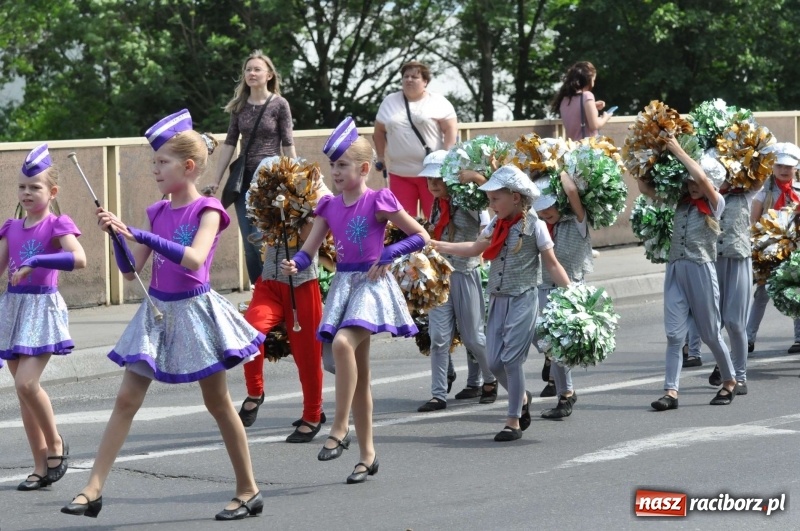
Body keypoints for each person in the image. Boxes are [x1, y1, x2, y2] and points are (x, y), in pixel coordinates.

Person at [61, 110, 265, 521]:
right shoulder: (156, 211)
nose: (154, 169)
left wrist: (139, 233)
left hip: (196, 312)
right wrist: (117, 236)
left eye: (162, 162)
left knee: (219, 403)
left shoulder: (209, 210)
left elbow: (193, 260)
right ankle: (93, 488)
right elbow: (129, 269)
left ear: (188, 167)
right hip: (155, 313)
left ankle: (248, 488)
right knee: (126, 399)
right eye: (153, 162)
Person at [282, 117, 429, 483]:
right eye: (333, 165)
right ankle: (367, 456)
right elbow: (309, 250)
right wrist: (294, 262)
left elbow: (420, 236)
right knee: (360, 379)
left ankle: (339, 425)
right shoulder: (329, 206)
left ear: (364, 169)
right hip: (345, 287)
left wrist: (388, 253)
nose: (336, 171)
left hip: (371, 285)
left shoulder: (378, 200)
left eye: (343, 165)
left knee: (344, 344)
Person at [433, 164, 571, 442]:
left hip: (524, 298)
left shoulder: (537, 225)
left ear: (515, 197)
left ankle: (513, 421)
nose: (491, 204)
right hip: (497, 299)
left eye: (496, 198)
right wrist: (438, 245)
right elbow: (474, 248)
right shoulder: (497, 223)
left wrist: (570, 294)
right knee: (494, 363)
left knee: (510, 359)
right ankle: (521, 398)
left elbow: (552, 265)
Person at [0, 144, 86, 491]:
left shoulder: (57, 224)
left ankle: (56, 445)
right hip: (13, 310)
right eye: (22, 186)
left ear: (52, 192)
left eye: (34, 186)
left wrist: (37, 262)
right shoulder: (10, 227)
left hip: (42, 309)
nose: (26, 192)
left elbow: (78, 258)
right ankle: (39, 465)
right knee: (23, 393)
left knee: (26, 384)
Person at [638, 135, 737, 411]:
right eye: (688, 182)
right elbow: (644, 188)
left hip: (701, 270)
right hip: (675, 271)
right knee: (674, 335)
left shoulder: (716, 204)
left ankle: (729, 381)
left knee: (710, 334)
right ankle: (671, 391)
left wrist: (679, 150)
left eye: (696, 182)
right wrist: (644, 159)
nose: (693, 186)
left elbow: (704, 181)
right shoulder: (681, 202)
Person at [238, 156, 331, 443]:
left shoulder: (315, 199)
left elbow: (313, 238)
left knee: (307, 357)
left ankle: (313, 415)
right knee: (248, 334)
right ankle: (255, 392)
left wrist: (299, 212)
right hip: (269, 283)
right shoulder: (262, 203)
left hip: (301, 285)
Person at [416, 150, 498, 412]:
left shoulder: (468, 200)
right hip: (440, 276)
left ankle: (491, 379)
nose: (433, 184)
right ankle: (438, 394)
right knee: (439, 337)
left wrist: (477, 177)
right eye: (429, 180)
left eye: (438, 178)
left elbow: (496, 203)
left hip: (466, 273)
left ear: (452, 178)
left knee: (473, 336)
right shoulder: (436, 204)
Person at [207, 50, 296, 285]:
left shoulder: (279, 104)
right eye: (248, 69)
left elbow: (287, 142)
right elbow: (229, 143)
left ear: (269, 75)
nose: (251, 73)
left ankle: (277, 288)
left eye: (257, 69)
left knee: (268, 236)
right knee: (250, 239)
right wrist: (216, 179)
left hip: (271, 179)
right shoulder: (239, 106)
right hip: (245, 179)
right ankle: (260, 290)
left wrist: (294, 177)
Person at [533, 172, 593, 418]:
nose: (545, 217)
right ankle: (554, 369)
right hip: (544, 287)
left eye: (549, 212)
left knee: (558, 346)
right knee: (540, 339)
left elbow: (570, 191)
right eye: (542, 214)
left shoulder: (578, 220)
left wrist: (556, 166)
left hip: (570, 289)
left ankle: (566, 395)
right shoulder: (541, 227)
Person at [374, 60, 458, 218]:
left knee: (436, 219)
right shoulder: (389, 102)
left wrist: (447, 156)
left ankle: (435, 244)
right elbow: (378, 131)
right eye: (406, 76)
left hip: (432, 174)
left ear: (425, 81)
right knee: (403, 222)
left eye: (414, 77)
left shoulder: (438, 101)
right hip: (400, 173)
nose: (409, 80)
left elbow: (451, 128)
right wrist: (380, 156)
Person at [746, 142, 800, 354]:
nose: (784, 170)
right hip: (769, 252)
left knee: (797, 292)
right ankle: (748, 338)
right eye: (780, 166)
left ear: (796, 168)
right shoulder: (763, 192)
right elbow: (754, 222)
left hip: (795, 251)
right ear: (773, 167)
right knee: (762, 293)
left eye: (789, 166)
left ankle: (798, 338)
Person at [550, 61, 614, 141]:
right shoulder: (587, 96)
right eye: (594, 79)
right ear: (589, 79)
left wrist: (592, 105)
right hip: (587, 148)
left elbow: (575, 115)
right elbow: (594, 125)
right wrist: (605, 117)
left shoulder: (564, 99)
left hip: (573, 147)